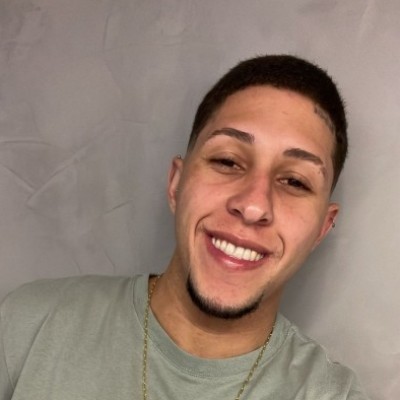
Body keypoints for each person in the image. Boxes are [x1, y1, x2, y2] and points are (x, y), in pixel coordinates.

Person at [0, 55, 369, 399]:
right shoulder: (27, 325)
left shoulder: (331, 394)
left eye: (295, 182)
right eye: (227, 161)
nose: (254, 205)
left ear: (322, 228)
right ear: (176, 184)